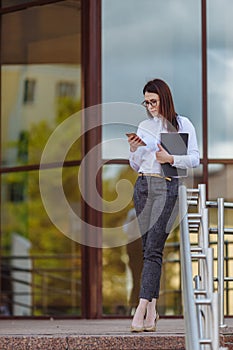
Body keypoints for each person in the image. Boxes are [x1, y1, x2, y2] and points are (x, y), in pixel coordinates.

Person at [127, 78, 200, 332]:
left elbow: (195, 159)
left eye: (153, 101)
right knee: (149, 249)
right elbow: (135, 165)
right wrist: (133, 149)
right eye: (146, 102)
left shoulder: (182, 124)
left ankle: (141, 308)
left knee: (153, 248)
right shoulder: (144, 125)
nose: (150, 107)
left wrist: (171, 157)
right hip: (143, 186)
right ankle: (153, 311)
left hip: (166, 186)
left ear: (164, 98)